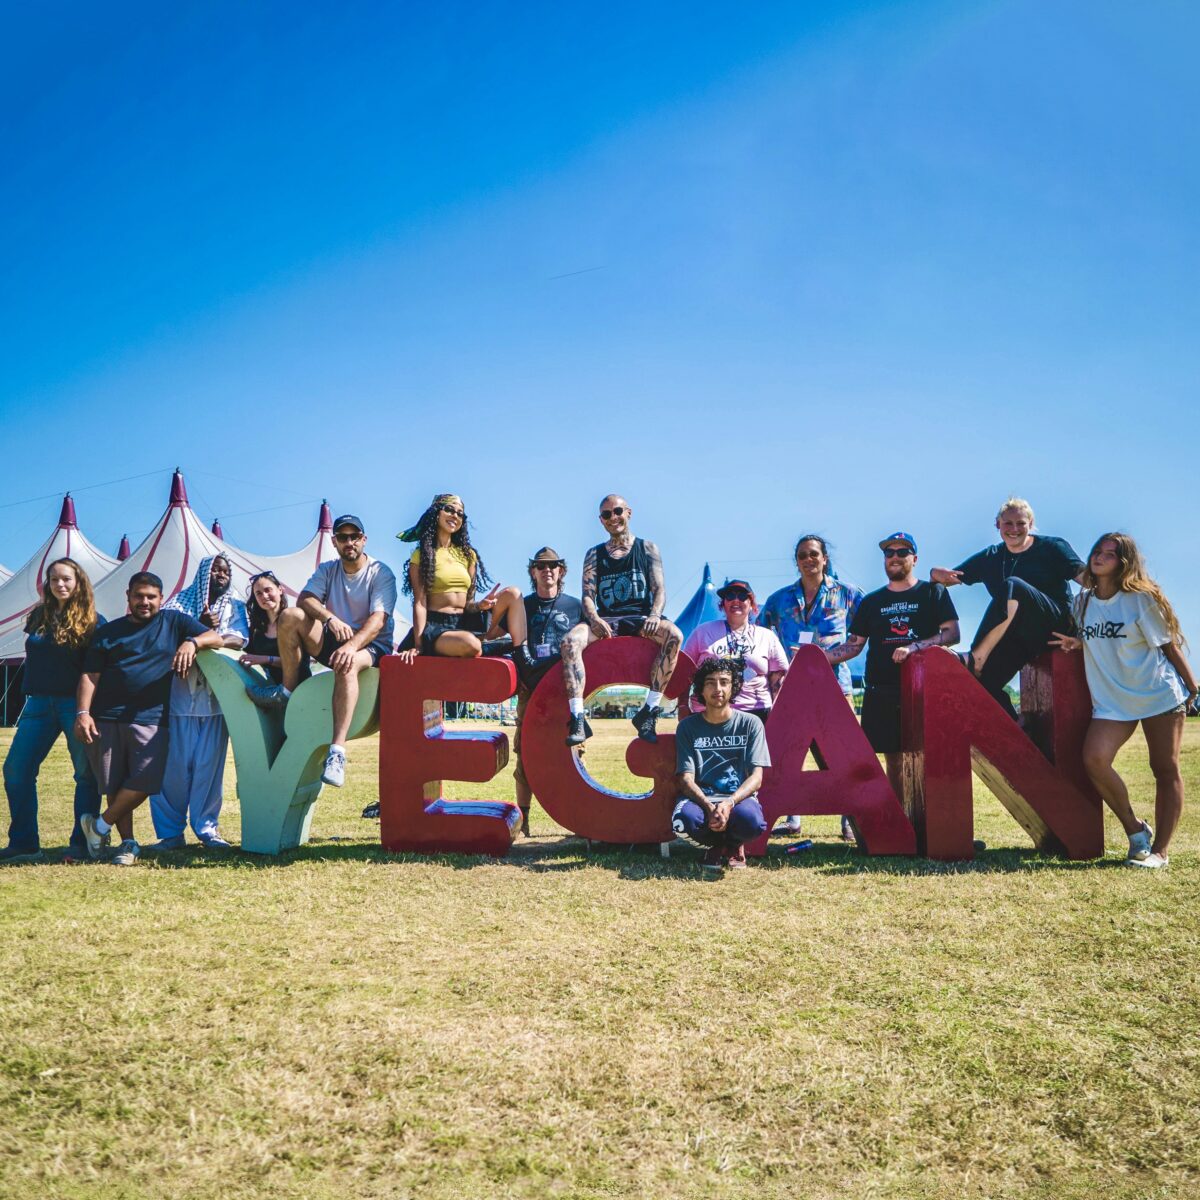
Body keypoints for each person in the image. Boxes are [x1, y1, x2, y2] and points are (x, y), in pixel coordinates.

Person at [1050, 533, 1199, 869]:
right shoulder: (1082, 602)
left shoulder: (1140, 600)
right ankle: (1135, 829)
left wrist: (1193, 686)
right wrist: (1078, 642)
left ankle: (1160, 852)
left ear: (1124, 563)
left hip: (1157, 695)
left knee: (1164, 768)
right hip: (1113, 702)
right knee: (1094, 759)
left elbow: (1168, 646)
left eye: (1110, 554)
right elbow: (1096, 635)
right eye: (1097, 551)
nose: (1100, 557)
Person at [76, 573, 224, 865]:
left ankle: (99, 826)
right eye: (139, 596)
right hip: (107, 717)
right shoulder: (108, 632)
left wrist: (192, 642)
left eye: (151, 597)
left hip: (153, 718)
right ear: (128, 596)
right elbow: (90, 675)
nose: (144, 602)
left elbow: (216, 637)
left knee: (148, 780)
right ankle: (127, 844)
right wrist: (83, 713)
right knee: (115, 784)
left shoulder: (173, 622)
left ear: (161, 598)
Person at [248, 514, 396, 789]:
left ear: (364, 540)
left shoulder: (380, 572)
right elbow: (305, 599)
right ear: (334, 542)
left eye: (354, 536)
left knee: (348, 663)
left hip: (372, 645)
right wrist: (330, 618)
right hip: (337, 638)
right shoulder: (328, 569)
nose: (349, 542)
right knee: (290, 616)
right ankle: (287, 692)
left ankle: (337, 752)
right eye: (343, 537)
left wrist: (351, 646)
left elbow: (378, 620)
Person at [828, 533, 960, 798]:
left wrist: (915, 647)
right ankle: (899, 818)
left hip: (923, 689)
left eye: (902, 552)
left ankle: (929, 821)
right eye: (889, 553)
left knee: (927, 759)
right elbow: (854, 645)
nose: (895, 557)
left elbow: (952, 633)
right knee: (894, 761)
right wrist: (817, 657)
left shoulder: (932, 592)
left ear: (915, 559)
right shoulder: (872, 601)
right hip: (882, 691)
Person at [931, 497, 1085, 718]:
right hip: (1021, 638)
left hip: (1055, 628)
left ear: (1031, 524)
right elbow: (950, 578)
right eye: (1008, 523)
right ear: (998, 525)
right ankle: (1018, 729)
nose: (1014, 529)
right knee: (982, 682)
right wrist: (934, 574)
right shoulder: (991, 557)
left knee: (1013, 586)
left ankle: (976, 657)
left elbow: (1088, 579)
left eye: (1021, 523)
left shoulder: (1052, 547)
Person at [758, 534, 863, 838]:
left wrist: (830, 656)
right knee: (789, 751)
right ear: (797, 561)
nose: (808, 560)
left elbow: (864, 632)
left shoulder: (849, 594)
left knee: (843, 753)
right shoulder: (779, 600)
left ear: (825, 558)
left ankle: (850, 820)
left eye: (814, 554)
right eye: (802, 555)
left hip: (835, 685)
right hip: (791, 688)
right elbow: (760, 635)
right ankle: (792, 818)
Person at [1, 559, 105, 863]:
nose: (60, 584)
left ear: (78, 582)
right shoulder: (39, 616)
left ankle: (81, 844)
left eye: (66, 579)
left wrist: (86, 711)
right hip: (37, 703)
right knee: (16, 770)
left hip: (76, 705)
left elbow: (96, 669)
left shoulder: (94, 621)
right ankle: (24, 843)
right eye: (54, 579)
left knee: (85, 775)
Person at [559, 494, 682, 746]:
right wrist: (594, 618)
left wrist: (655, 614)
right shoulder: (594, 554)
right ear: (601, 520)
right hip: (607, 619)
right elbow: (588, 595)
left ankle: (649, 711)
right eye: (606, 514)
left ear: (628, 513)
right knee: (570, 642)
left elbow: (659, 589)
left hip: (640, 617)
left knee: (674, 636)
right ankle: (578, 717)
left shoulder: (647, 548)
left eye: (617, 511)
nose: (613, 518)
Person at [148, 555, 249, 850]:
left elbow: (238, 639)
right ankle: (170, 834)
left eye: (226, 570)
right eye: (215, 569)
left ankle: (207, 830)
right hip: (179, 700)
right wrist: (198, 627)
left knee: (209, 769)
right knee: (173, 770)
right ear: (204, 573)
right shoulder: (179, 603)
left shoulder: (235, 606)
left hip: (217, 701)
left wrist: (200, 637)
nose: (221, 574)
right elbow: (163, 636)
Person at [395, 493, 528, 664]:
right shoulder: (421, 555)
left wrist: (480, 605)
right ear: (436, 512)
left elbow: (469, 604)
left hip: (465, 622)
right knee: (471, 644)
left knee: (513, 593)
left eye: (460, 514)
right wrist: (419, 645)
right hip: (436, 627)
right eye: (449, 510)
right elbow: (420, 603)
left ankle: (523, 658)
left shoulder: (468, 555)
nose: (455, 516)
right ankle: (492, 646)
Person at [670, 657, 771, 872]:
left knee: (752, 822)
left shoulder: (751, 723)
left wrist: (729, 803)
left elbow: (756, 777)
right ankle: (714, 846)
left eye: (724, 682)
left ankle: (733, 844)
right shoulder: (688, 727)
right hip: (701, 798)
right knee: (682, 822)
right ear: (701, 689)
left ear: (733, 687)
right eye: (710, 682)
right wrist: (709, 807)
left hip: (736, 798)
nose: (718, 688)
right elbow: (685, 779)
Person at [511, 548, 583, 835]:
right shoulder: (522, 606)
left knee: (574, 753)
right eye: (541, 566)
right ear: (533, 572)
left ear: (561, 570)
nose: (547, 570)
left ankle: (580, 820)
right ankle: (523, 820)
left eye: (553, 565)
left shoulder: (576, 607)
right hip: (531, 691)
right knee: (525, 755)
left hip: (566, 692)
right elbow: (507, 640)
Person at [681, 579, 789, 721]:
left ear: (751, 604)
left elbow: (778, 678)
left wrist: (779, 713)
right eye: (730, 596)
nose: (736, 600)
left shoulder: (767, 636)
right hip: (708, 711)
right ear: (723, 604)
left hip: (756, 712)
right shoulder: (702, 632)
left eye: (742, 596)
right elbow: (684, 671)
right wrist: (682, 706)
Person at [240, 571, 311, 688]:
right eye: (259, 593)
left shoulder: (294, 621)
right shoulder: (255, 630)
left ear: (280, 590)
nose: (264, 596)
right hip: (268, 690)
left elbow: (300, 664)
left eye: (268, 590)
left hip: (301, 690)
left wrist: (267, 659)